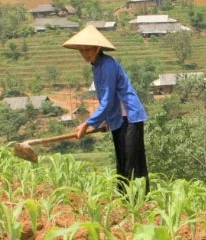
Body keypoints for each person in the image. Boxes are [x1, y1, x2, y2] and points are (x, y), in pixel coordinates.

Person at [63, 24, 149, 193]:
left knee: (133, 162)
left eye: (88, 50)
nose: (85, 54)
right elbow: (106, 99)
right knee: (122, 161)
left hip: (130, 117)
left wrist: (87, 124)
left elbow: (108, 101)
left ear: (97, 48)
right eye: (82, 50)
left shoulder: (108, 65)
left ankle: (141, 201)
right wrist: (105, 120)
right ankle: (124, 200)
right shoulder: (96, 66)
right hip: (118, 119)